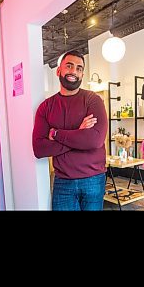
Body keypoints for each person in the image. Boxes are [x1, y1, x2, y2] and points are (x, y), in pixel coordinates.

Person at [32, 50, 108, 211]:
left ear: (82, 74)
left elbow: (94, 141)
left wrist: (56, 134)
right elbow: (39, 149)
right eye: (69, 66)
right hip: (63, 182)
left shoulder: (93, 100)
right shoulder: (46, 107)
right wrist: (79, 133)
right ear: (59, 70)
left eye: (79, 68)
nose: (74, 71)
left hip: (93, 180)